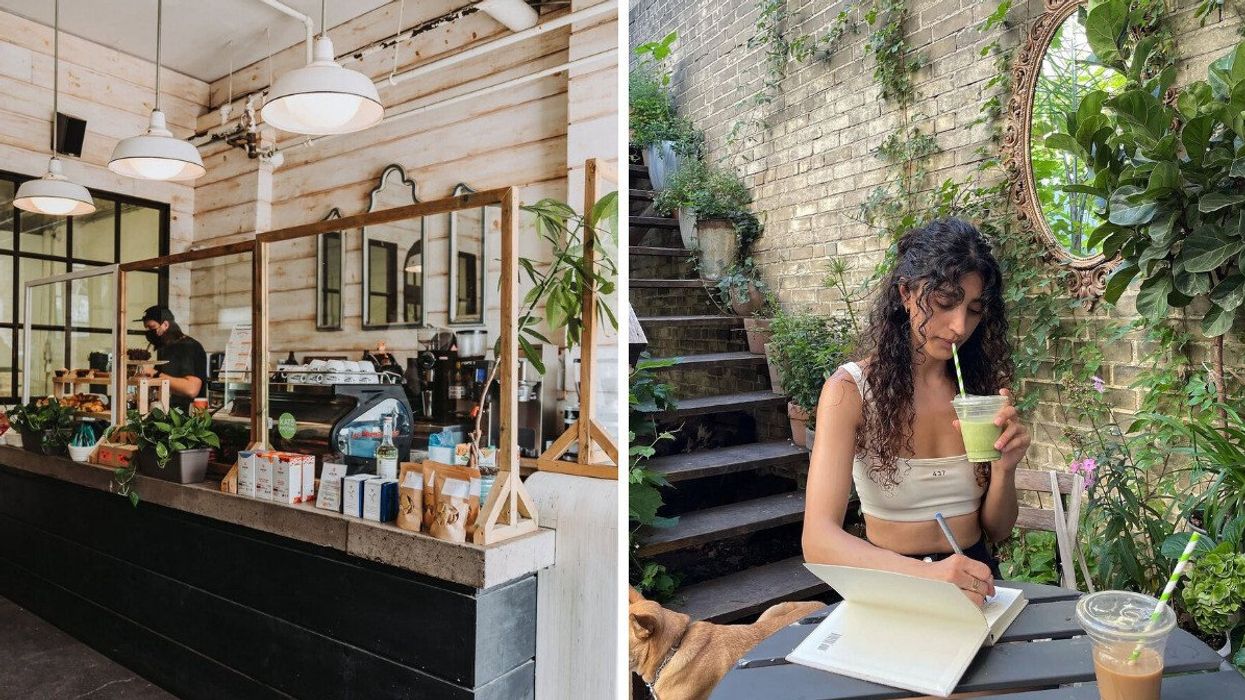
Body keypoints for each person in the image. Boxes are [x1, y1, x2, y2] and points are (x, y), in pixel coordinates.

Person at [802, 218, 1031, 607]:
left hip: (975, 578)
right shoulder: (850, 391)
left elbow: (997, 530)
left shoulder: (978, 393)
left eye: (974, 310)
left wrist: (1005, 470)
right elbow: (818, 541)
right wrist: (931, 576)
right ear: (906, 293)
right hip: (893, 581)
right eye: (944, 302)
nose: (959, 326)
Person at [137, 306, 207, 413]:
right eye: (146, 328)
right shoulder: (165, 348)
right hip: (167, 413)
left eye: (151, 327)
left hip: (187, 417)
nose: (149, 332)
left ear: (165, 325)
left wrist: (155, 374)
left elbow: (191, 389)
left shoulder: (188, 347)